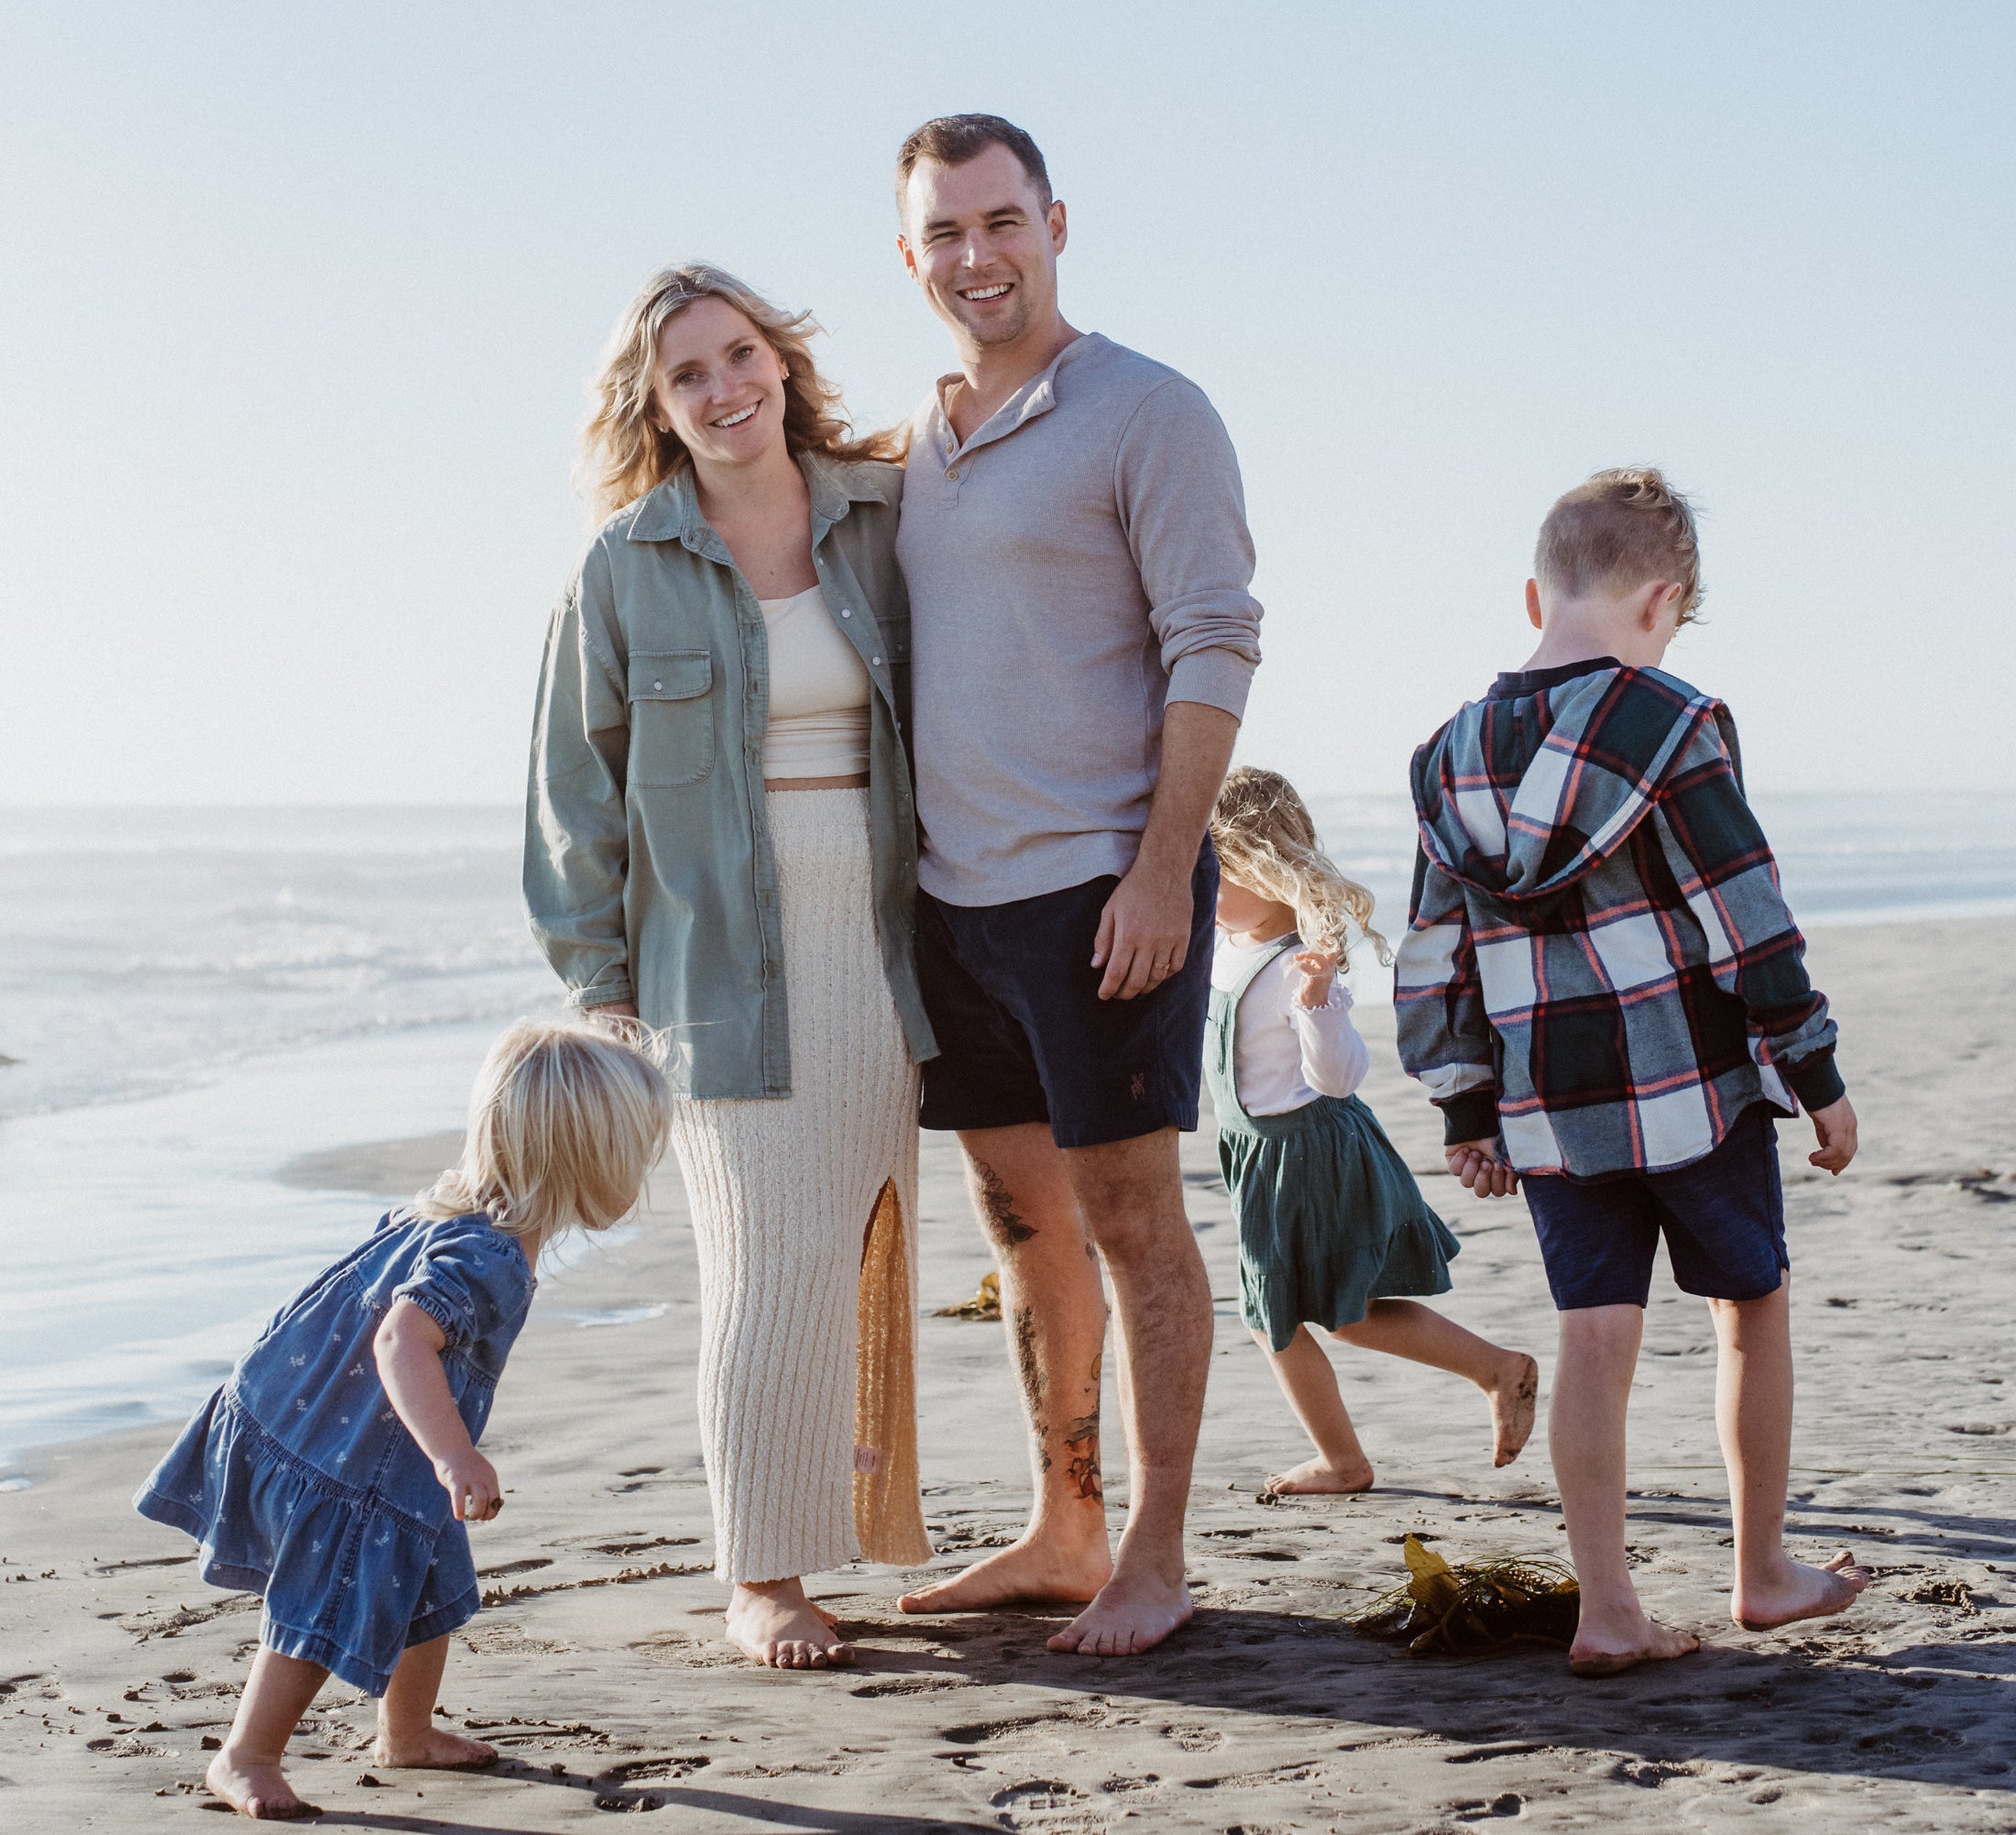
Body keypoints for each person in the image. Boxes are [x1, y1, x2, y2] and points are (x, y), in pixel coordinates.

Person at [524, 265, 938, 1669]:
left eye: (740, 354)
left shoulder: (877, 516)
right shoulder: (624, 564)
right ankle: (759, 1573)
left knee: (862, 1246)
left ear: (783, 360)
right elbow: (572, 797)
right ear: (654, 404)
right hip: (713, 968)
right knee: (766, 1259)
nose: (723, 388)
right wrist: (603, 988)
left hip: (885, 946)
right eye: (687, 373)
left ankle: (851, 1527)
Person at [887, 115, 1263, 1657]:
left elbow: (1216, 641)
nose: (977, 256)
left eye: (1001, 222)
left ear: (1055, 221)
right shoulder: (905, 447)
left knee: (1131, 1216)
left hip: (1107, 892)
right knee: (1017, 1223)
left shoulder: (1147, 410)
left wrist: (1166, 868)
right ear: (908, 255)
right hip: (952, 904)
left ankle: (1160, 1552)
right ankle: (1065, 1523)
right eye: (944, 234)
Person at [1394, 467, 1868, 1677]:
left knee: (1593, 1334)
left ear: (1531, 592)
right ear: (1662, 602)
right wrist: (1815, 1072)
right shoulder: (1674, 722)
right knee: (1748, 1306)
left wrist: (1463, 1101)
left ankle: (1607, 1605)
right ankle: (1763, 1570)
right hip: (1694, 1090)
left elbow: (1432, 955)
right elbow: (1746, 920)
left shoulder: (1446, 758)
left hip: (1550, 1108)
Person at [133, 1020, 670, 1820]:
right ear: (586, 1161)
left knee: (430, 1577)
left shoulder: (446, 1214)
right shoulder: (489, 1260)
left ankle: (407, 1731)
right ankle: (247, 1754)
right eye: (638, 1155)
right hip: (351, 1459)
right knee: (324, 1601)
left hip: (305, 1413)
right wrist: (454, 1456)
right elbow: (399, 1337)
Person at [1207, 767, 1539, 1497]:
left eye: (1215, 872)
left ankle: (1344, 1460)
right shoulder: (1223, 943)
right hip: (1259, 1155)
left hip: (1309, 1153)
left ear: (1265, 870)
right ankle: (1496, 1368)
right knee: (1341, 1314)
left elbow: (1339, 1077)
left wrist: (1319, 1001)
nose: (1202, 888)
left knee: (1278, 1316)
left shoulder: (1301, 965)